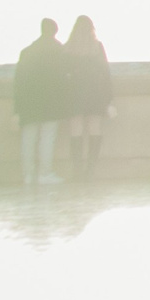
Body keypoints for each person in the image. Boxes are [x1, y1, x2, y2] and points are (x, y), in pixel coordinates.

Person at [13, 18, 68, 186]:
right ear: (55, 31)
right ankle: (45, 174)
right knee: (47, 138)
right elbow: (63, 79)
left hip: (29, 102)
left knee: (28, 138)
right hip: (51, 102)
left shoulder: (27, 52)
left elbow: (19, 82)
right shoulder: (59, 51)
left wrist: (17, 108)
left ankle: (28, 175)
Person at [64, 17, 113, 180]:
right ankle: (90, 170)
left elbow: (62, 75)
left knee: (75, 130)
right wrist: (109, 99)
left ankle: (77, 170)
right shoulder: (97, 47)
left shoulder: (68, 48)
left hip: (74, 95)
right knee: (95, 129)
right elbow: (105, 74)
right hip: (95, 94)